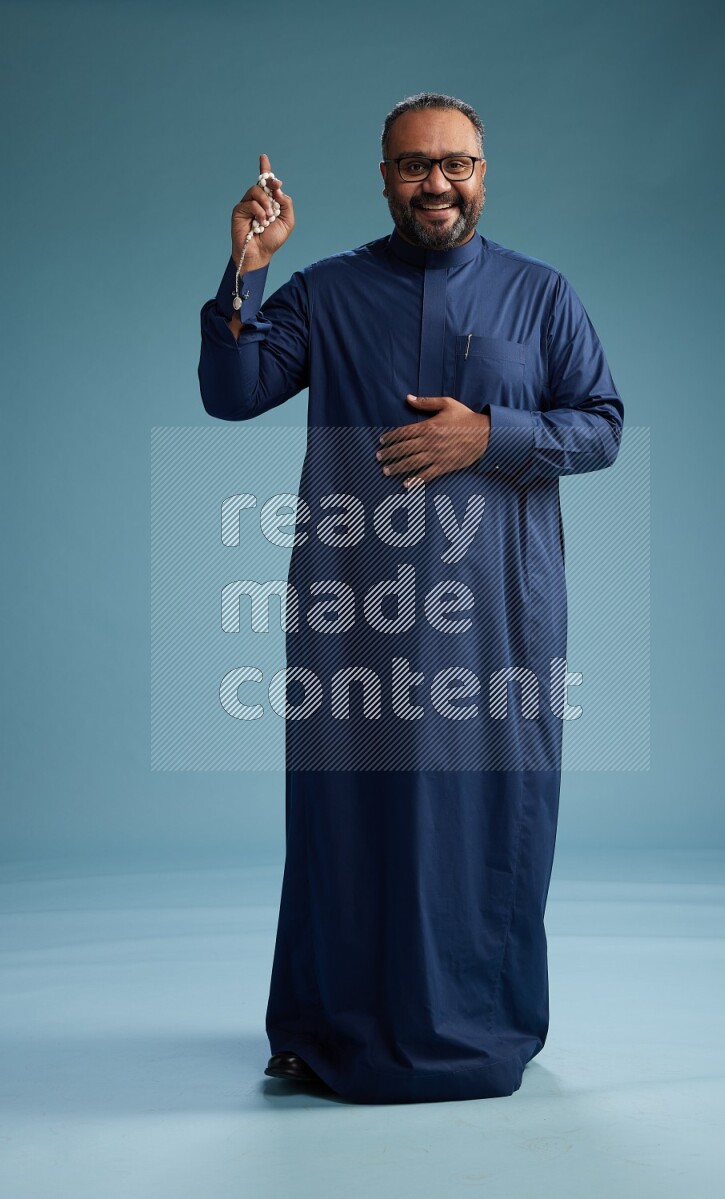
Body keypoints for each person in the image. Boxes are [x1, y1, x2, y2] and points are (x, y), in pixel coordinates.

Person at [198, 92, 623, 1104]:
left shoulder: (540, 294)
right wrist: (246, 273)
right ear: (383, 176)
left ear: (483, 171)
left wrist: (492, 436)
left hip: (499, 615)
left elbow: (599, 423)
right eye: (413, 166)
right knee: (349, 813)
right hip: (359, 612)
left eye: (456, 164)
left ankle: (484, 1026)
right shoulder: (328, 291)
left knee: (490, 812)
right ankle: (321, 1025)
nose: (436, 183)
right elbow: (232, 388)